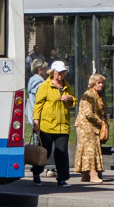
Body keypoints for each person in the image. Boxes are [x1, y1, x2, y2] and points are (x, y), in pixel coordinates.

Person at [32, 59, 76, 187]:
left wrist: (70, 98)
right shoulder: (45, 86)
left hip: (63, 126)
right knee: (44, 152)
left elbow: (74, 100)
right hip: (47, 126)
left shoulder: (66, 85)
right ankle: (36, 172)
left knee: (62, 153)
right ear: (52, 73)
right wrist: (36, 122)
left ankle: (62, 179)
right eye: (58, 73)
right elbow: (38, 105)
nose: (60, 75)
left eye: (62, 73)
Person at [74, 73, 108, 183]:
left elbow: (103, 110)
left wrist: (105, 123)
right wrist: (101, 122)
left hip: (94, 127)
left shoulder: (100, 95)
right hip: (85, 127)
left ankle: (85, 175)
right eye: (99, 83)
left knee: (89, 150)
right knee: (90, 150)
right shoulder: (87, 95)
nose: (101, 85)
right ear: (93, 83)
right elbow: (88, 113)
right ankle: (93, 174)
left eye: (102, 83)